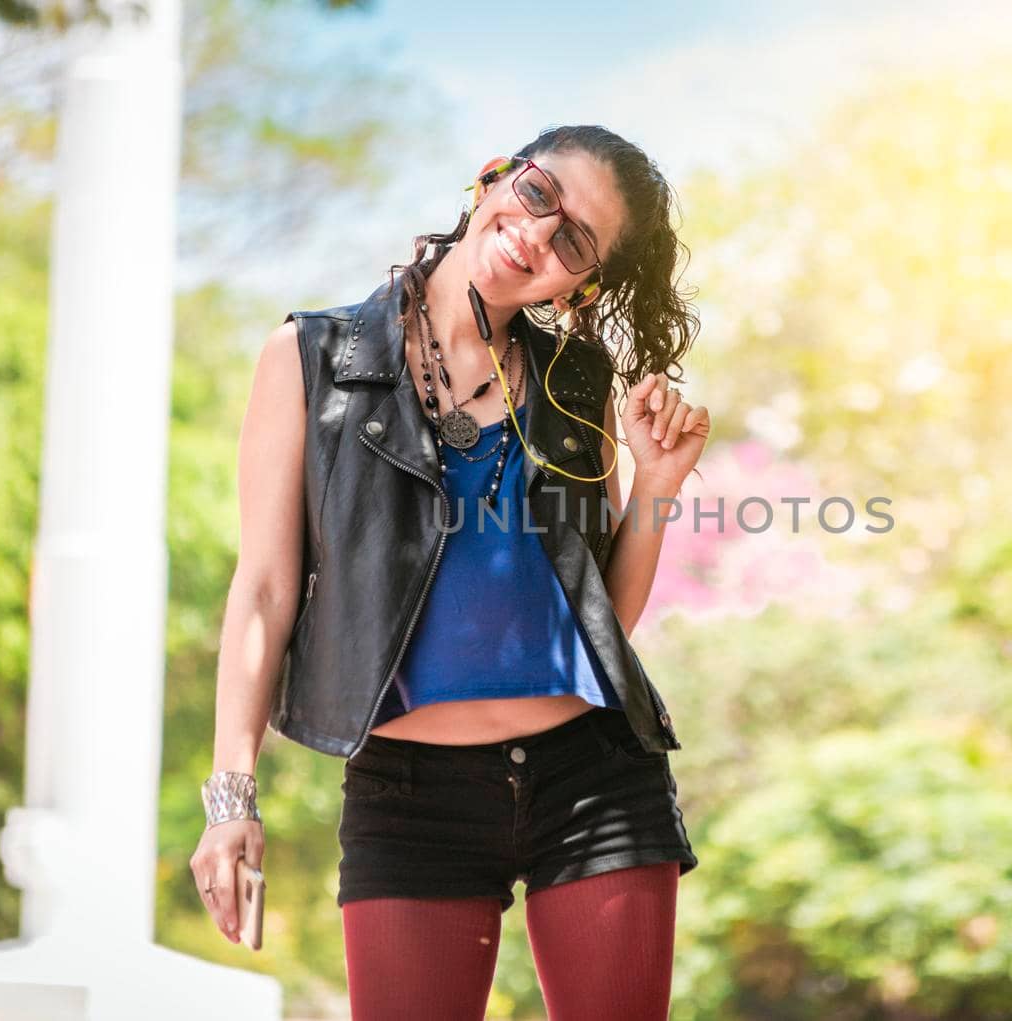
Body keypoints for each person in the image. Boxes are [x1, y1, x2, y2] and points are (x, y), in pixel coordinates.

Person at [188, 124, 710, 1019]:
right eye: (540, 195)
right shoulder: (312, 359)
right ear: (494, 178)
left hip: (595, 778)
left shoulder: (574, 383)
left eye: (575, 241)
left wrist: (656, 486)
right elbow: (267, 589)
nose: (538, 234)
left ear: (581, 281)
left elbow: (597, 623)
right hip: (409, 798)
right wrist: (232, 793)